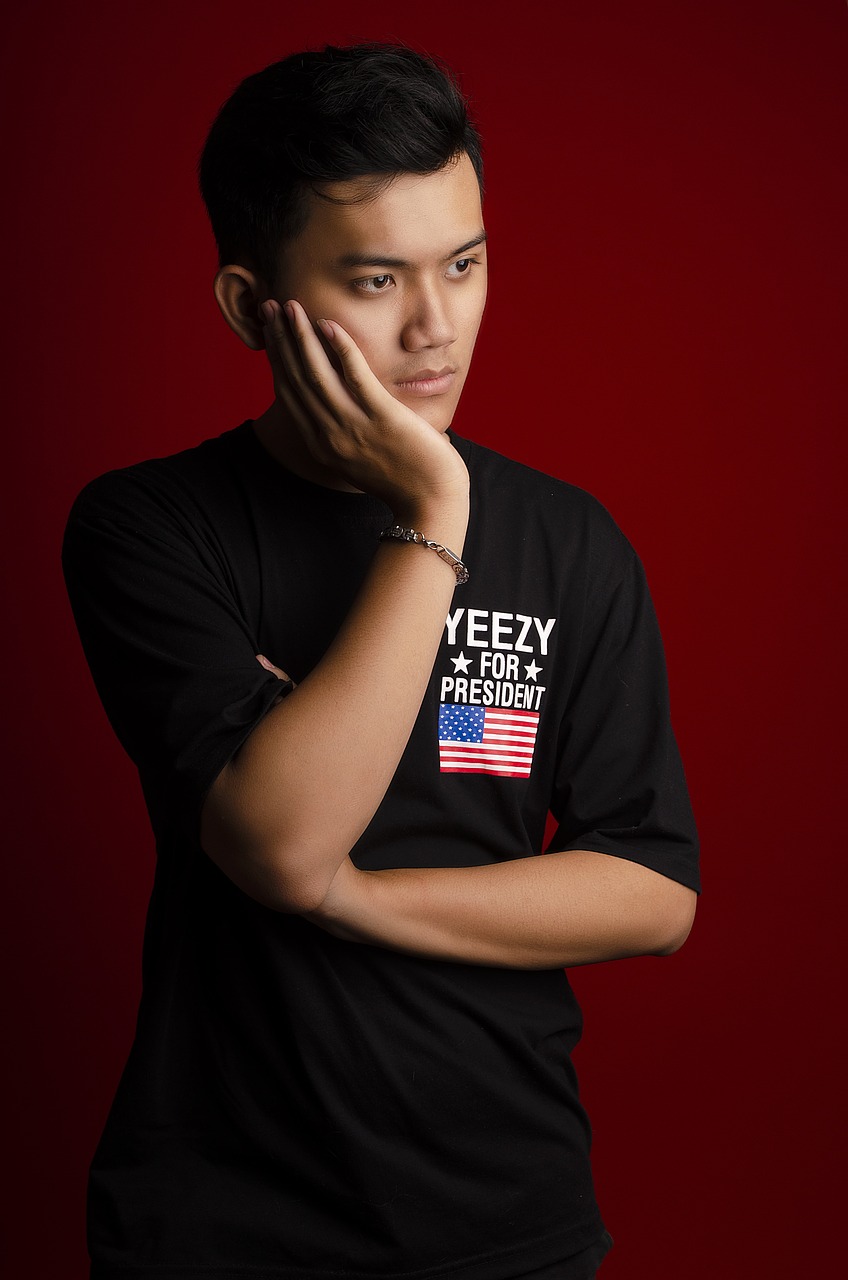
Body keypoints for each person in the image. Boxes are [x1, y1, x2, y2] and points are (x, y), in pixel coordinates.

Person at [62, 42, 700, 1280]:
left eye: (463, 263)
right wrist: (435, 509)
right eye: (373, 278)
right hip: (225, 1217)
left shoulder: (569, 540)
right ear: (251, 305)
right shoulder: (149, 526)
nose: (434, 326)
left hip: (505, 1213)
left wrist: (353, 899)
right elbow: (280, 843)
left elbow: (650, 887)